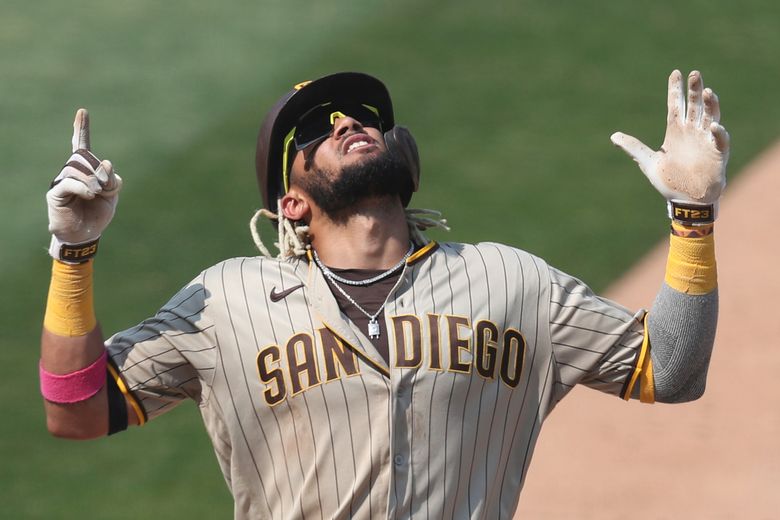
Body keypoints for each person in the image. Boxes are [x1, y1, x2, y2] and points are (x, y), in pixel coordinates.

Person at [40, 70, 728, 519]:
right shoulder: (225, 301)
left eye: (361, 115)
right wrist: (74, 253)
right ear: (291, 204)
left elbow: (669, 368)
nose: (346, 121)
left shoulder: (516, 282)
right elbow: (76, 411)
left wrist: (692, 217)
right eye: (314, 130)